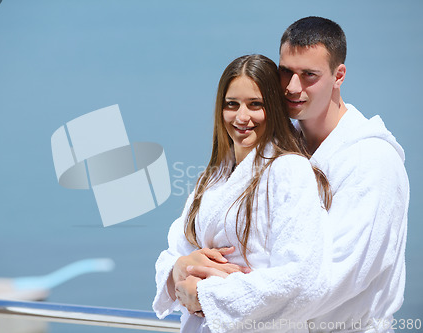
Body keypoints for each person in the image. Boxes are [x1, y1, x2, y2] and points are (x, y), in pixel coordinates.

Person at [170, 17, 410, 332]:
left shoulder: (371, 161)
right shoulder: (275, 145)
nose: (292, 88)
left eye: (309, 75)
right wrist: (181, 268)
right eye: (286, 72)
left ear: (339, 76)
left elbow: (330, 280)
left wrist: (209, 293)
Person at [153, 54, 333, 332]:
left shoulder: (290, 171)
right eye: (231, 105)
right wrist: (179, 268)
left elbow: (300, 278)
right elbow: (175, 250)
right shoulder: (212, 178)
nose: (241, 117)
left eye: (255, 105)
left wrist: (206, 295)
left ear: (272, 108)